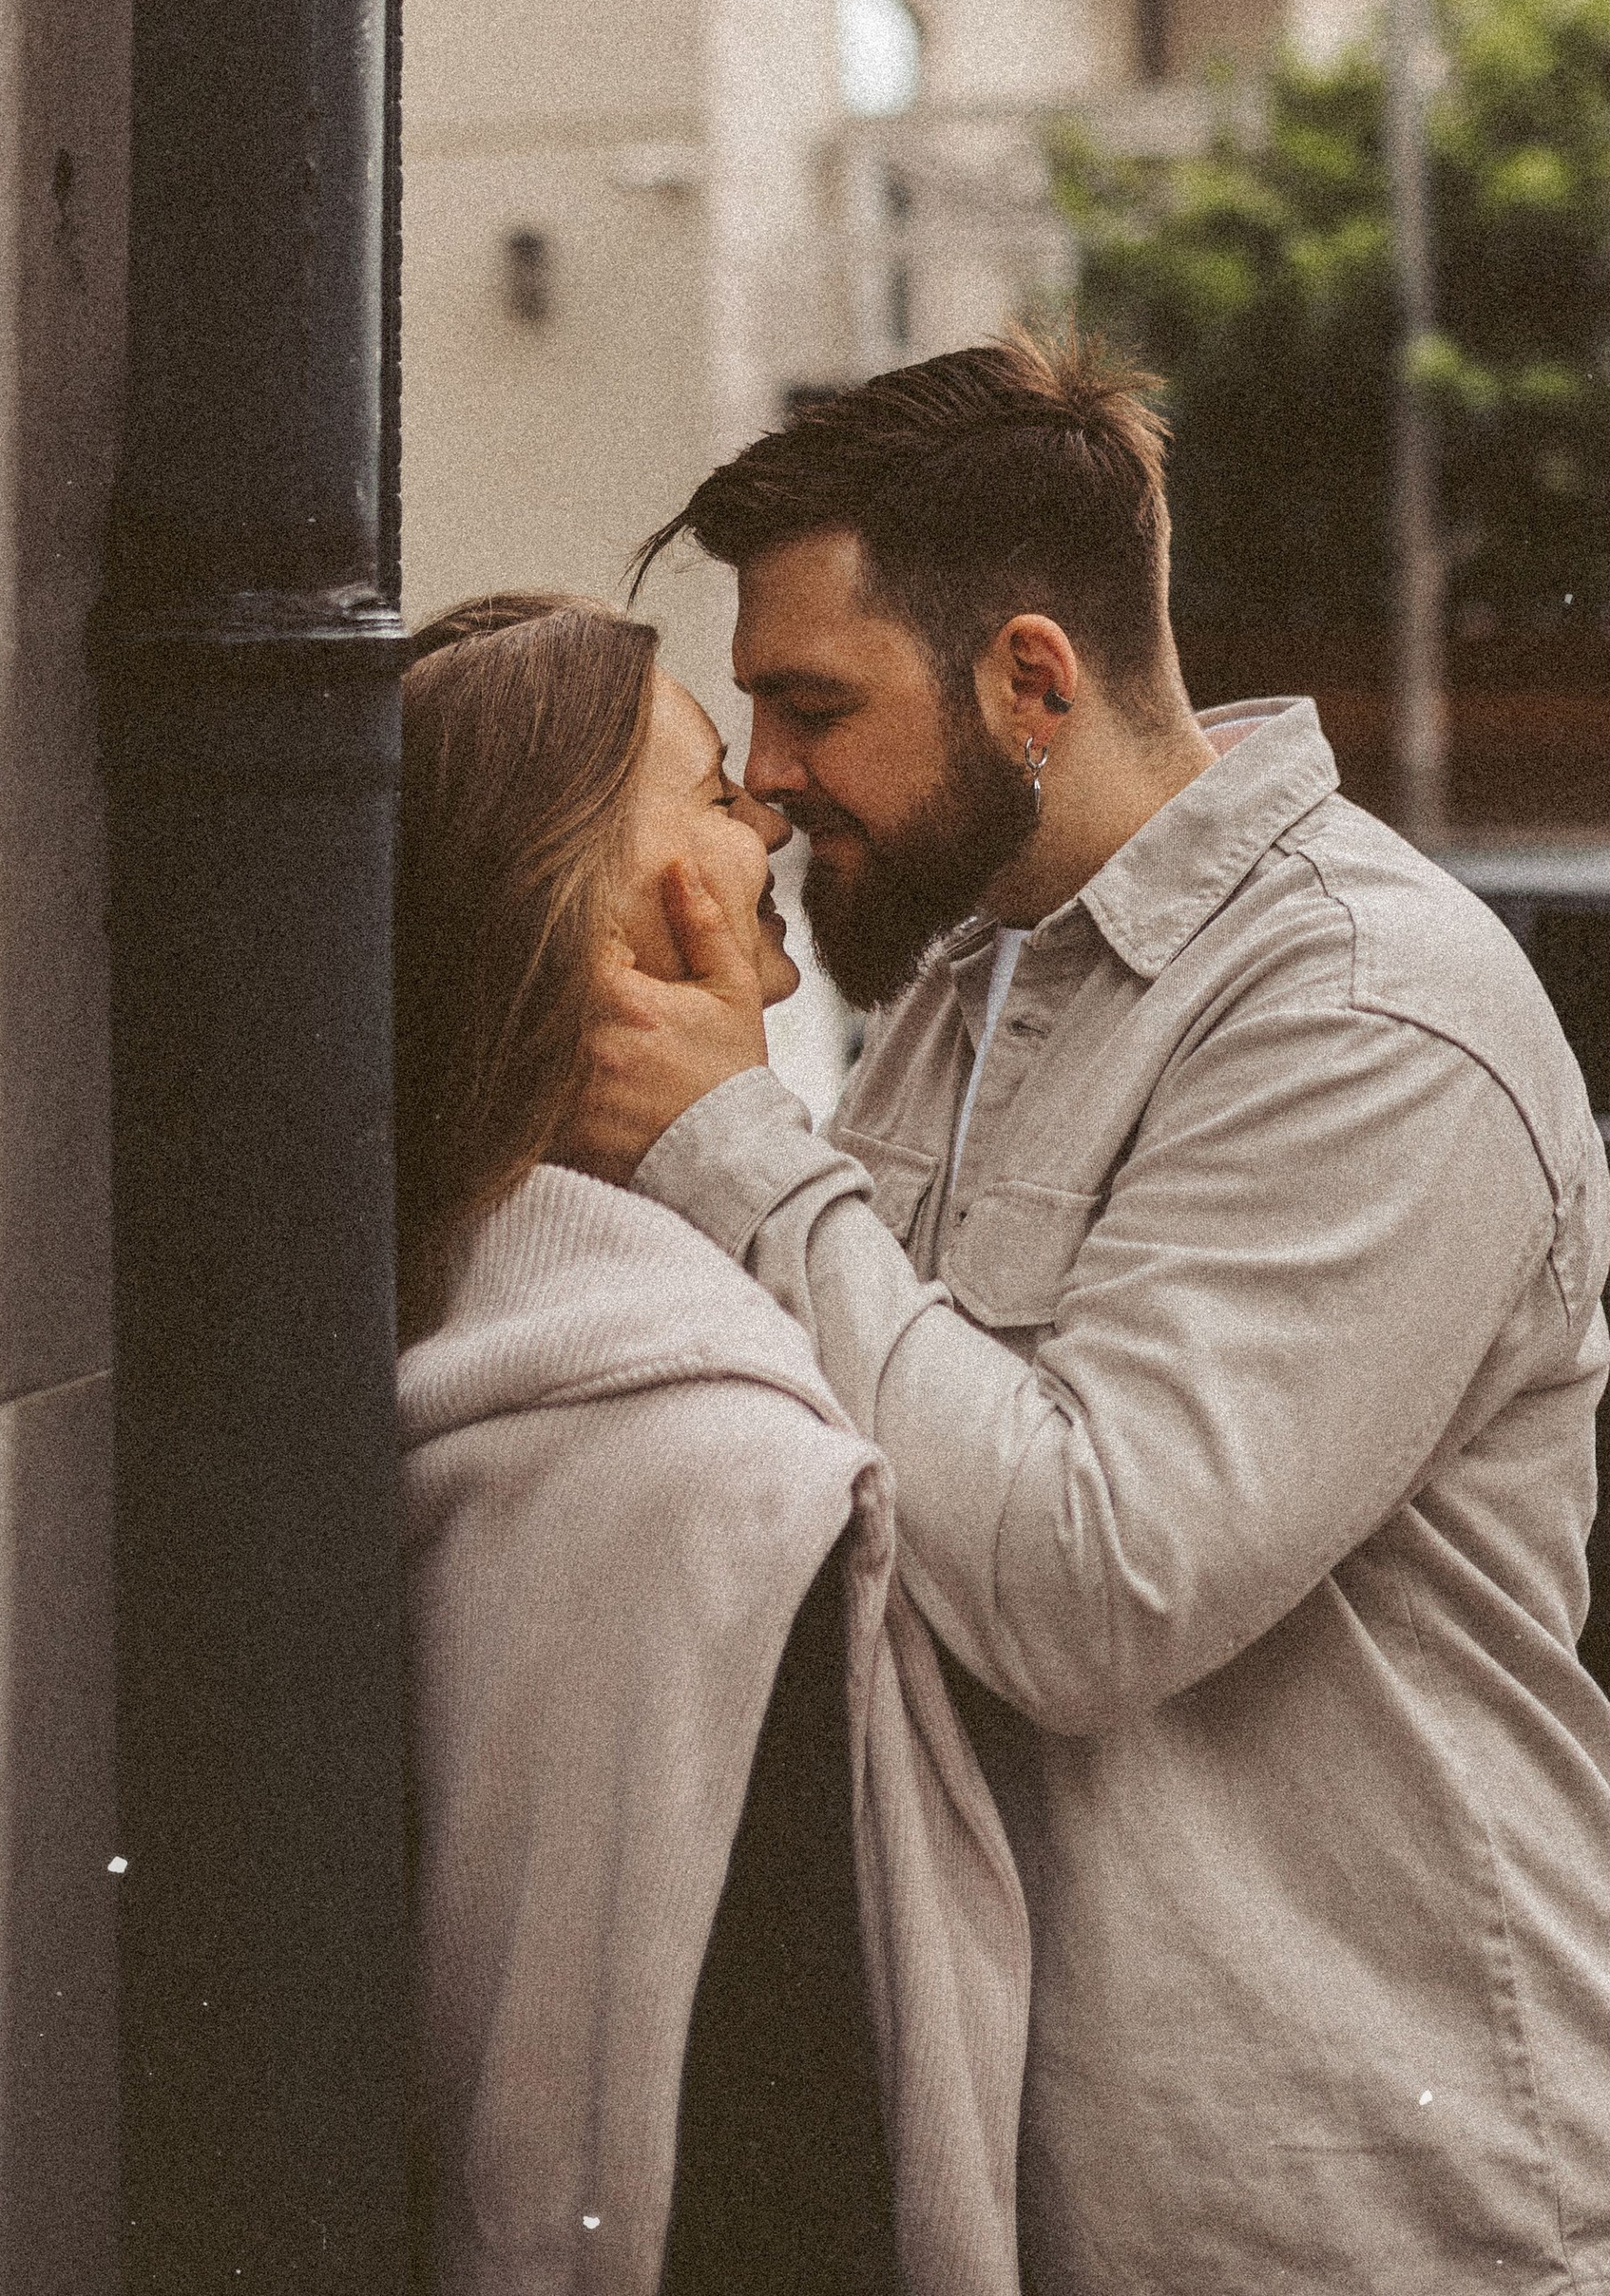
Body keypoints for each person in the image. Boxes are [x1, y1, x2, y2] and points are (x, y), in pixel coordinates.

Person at [565, 339, 1610, 2296]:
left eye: (809, 702)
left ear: (1031, 677)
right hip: (1068, 2180)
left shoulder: (1363, 1010)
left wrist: (725, 1148)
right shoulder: (966, 973)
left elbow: (1090, 1589)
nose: (763, 771)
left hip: (1374, 2210)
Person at [393, 591, 1027, 2296]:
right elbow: (787, 2106)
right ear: (603, 916)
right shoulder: (723, 1464)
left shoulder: (450, 1320)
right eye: (706, 792)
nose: (766, 810)